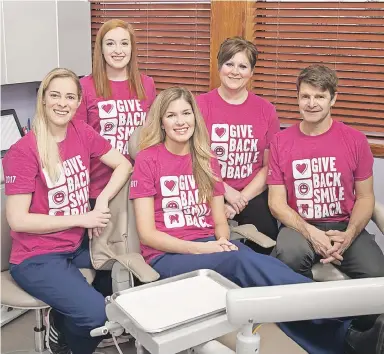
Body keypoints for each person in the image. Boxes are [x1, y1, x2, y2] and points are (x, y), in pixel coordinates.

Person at [129, 86, 383, 354]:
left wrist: (223, 241)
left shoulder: (206, 160)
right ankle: (335, 308)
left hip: (210, 247)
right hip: (167, 255)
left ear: (195, 117)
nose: (181, 122)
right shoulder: (148, 160)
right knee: (241, 261)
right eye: (171, 115)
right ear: (161, 122)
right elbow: (147, 234)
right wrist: (204, 248)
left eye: (186, 113)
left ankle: (345, 340)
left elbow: (218, 223)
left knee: (261, 286)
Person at [3, 68, 132, 354]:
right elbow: (18, 219)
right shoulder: (24, 151)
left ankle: (61, 320)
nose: (62, 103)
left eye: (70, 97)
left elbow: (123, 164)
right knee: (96, 315)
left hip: (75, 245)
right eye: (55, 95)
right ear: (44, 100)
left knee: (125, 271)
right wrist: (82, 218)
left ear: (78, 103)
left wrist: (100, 202)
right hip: (36, 257)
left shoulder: (81, 131)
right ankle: (66, 343)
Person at [267, 64, 384, 280]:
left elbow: (366, 197)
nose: (311, 104)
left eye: (319, 97)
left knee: (377, 274)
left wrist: (349, 235)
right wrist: (312, 233)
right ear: (298, 98)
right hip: (299, 225)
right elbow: (276, 204)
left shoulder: (356, 141)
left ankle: (352, 316)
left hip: (344, 225)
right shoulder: (280, 142)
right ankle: (307, 314)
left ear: (333, 99)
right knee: (289, 257)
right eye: (305, 97)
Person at [196, 37, 279, 249]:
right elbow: (192, 158)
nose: (235, 71)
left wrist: (239, 199)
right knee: (209, 245)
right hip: (207, 190)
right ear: (219, 66)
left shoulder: (266, 110)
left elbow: (269, 166)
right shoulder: (199, 105)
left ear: (251, 73)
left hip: (251, 193)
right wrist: (225, 191)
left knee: (267, 241)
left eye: (243, 66)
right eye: (229, 64)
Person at [74, 19, 156, 204]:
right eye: (110, 43)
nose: (118, 50)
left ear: (132, 48)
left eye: (124, 43)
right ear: (101, 49)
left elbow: (151, 135)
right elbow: (78, 142)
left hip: (139, 185)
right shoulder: (84, 86)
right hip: (98, 187)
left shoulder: (147, 84)